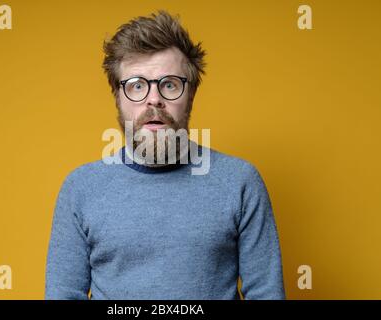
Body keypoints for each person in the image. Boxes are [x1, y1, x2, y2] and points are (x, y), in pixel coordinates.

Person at [45, 10, 285, 300]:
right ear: (117, 97)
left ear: (191, 95)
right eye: (136, 85)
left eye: (169, 84)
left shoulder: (240, 182)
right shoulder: (81, 188)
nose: (154, 99)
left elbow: (267, 294)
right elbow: (63, 294)